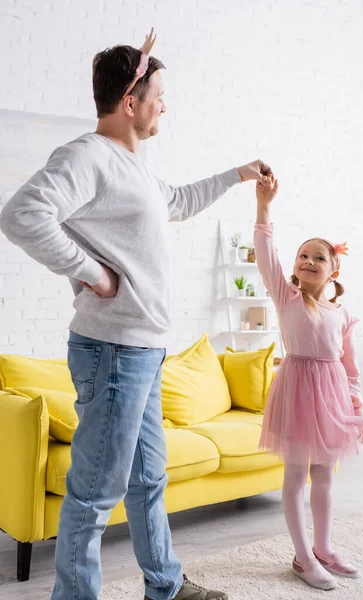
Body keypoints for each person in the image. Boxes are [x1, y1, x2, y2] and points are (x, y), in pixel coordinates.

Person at [0, 29, 273, 600]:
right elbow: (21, 213)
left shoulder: (134, 167)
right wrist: (91, 273)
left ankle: (166, 586)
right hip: (114, 353)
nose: (164, 106)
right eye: (159, 96)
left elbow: (177, 202)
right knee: (96, 493)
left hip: (144, 352)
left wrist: (236, 175)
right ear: (131, 101)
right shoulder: (86, 156)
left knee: (149, 480)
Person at [253, 174, 363, 591]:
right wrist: (264, 206)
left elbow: (351, 368)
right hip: (298, 392)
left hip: (332, 396)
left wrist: (359, 411)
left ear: (333, 269)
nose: (306, 260)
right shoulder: (286, 297)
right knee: (295, 476)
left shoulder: (342, 315)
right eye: (302, 255)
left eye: (317, 257)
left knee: (325, 476)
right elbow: (266, 252)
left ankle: (323, 548)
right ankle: (302, 557)